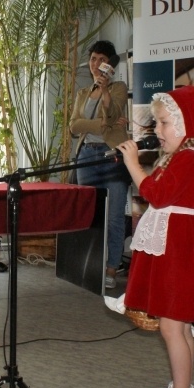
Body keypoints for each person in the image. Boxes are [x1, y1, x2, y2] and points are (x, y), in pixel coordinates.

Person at [115, 86, 194, 388]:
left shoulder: (189, 158)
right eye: (156, 123)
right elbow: (158, 190)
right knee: (178, 326)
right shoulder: (178, 157)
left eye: (163, 123)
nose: (157, 130)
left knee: (173, 326)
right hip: (176, 246)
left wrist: (132, 163)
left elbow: (155, 195)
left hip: (180, 249)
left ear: (186, 124)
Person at [69, 40, 131, 289]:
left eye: (101, 60)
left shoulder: (118, 87)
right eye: (93, 59)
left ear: (110, 64)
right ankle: (92, 265)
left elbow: (114, 112)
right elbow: (74, 126)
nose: (96, 65)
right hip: (86, 158)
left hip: (112, 155)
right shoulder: (83, 93)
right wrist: (103, 124)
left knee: (115, 218)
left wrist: (105, 92)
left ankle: (112, 268)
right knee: (91, 216)